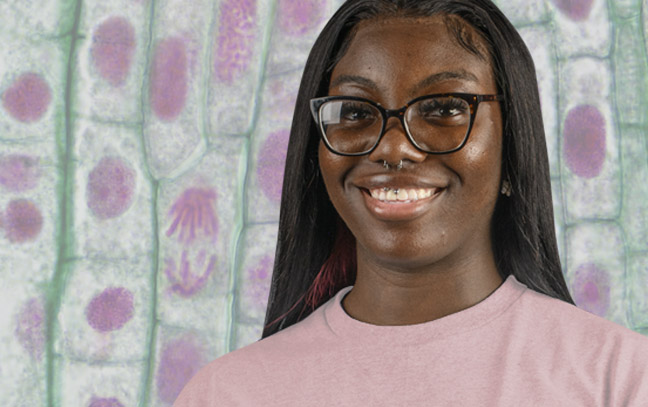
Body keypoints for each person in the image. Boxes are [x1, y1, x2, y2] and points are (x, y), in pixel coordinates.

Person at [174, 0, 648, 405]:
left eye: (444, 109)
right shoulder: (227, 394)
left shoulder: (619, 380)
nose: (393, 148)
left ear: (514, 149)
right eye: (355, 112)